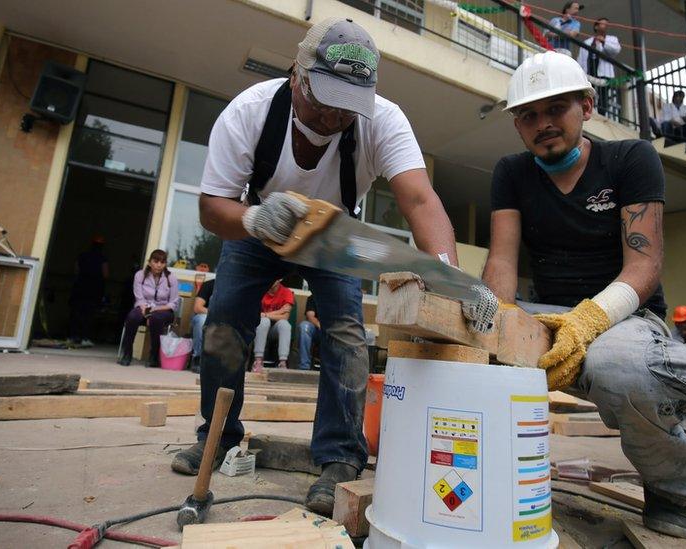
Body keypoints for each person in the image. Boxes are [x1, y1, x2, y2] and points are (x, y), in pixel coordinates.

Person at [171, 18, 495, 518]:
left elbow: (421, 201)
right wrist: (256, 217)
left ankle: (341, 459)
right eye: (323, 97)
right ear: (297, 74)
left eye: (347, 103)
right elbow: (213, 209)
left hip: (334, 236)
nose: (333, 114)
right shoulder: (250, 112)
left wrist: (452, 280)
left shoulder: (383, 120)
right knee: (223, 326)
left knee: (345, 336)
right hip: (259, 226)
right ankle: (216, 438)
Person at [482, 51, 686, 538]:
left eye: (557, 109)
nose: (543, 123)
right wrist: (497, 321)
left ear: (587, 107)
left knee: (618, 369)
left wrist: (590, 319)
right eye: (529, 114)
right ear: (516, 124)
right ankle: (482, 474)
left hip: (626, 315)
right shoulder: (511, 172)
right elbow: (503, 261)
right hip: (549, 312)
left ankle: (672, 484)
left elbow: (645, 264)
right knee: (468, 343)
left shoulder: (630, 158)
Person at [118, 249, 180, 367]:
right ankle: (127, 353)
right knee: (132, 317)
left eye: (162, 262)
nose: (158, 265)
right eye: (156, 261)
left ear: (165, 264)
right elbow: (139, 298)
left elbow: (173, 303)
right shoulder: (140, 275)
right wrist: (146, 312)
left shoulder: (171, 278)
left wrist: (155, 310)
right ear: (150, 262)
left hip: (164, 310)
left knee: (156, 319)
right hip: (144, 307)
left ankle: (154, 356)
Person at [576, 17, 621, 116]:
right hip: (590, 71)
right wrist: (581, 72)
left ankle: (601, 114)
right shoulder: (587, 42)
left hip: (604, 73)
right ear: (596, 26)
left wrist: (603, 41)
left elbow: (615, 50)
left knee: (603, 95)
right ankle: (589, 111)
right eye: (603, 24)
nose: (605, 26)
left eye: (606, 24)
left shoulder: (611, 39)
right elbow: (581, 58)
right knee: (589, 93)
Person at [68, 235, 108, 347]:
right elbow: (105, 274)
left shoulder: (82, 256)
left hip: (79, 288)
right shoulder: (102, 259)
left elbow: (76, 270)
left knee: (76, 312)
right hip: (94, 290)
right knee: (89, 314)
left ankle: (73, 336)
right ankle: (85, 338)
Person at [253, 279, 294, 372]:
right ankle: (258, 361)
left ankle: (282, 363)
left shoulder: (286, 292)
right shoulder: (260, 289)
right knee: (264, 322)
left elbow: (285, 317)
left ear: (280, 279)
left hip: (275, 330)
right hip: (259, 329)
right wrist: (279, 312)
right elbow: (256, 314)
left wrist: (265, 314)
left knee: (285, 325)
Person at [190, 277, 215, 373]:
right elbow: (197, 308)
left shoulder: (237, 288)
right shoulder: (209, 284)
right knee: (201, 319)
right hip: (208, 317)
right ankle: (198, 358)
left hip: (228, 321)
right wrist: (215, 314)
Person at [298, 294, 321, 371]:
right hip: (317, 329)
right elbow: (310, 316)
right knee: (304, 326)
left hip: (333, 330)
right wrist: (320, 326)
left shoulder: (338, 298)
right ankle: (304, 366)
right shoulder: (313, 297)